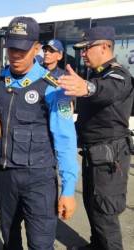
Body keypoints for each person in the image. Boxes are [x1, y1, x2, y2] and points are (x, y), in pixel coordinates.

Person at [0, 16, 79, 250]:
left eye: (22, 50)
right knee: (10, 242)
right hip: (2, 178)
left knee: (41, 245)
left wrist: (68, 190)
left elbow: (65, 141)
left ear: (36, 48)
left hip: (39, 180)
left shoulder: (53, 89)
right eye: (12, 48)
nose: (15, 55)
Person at [58, 26, 134, 250]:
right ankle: (96, 245)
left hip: (110, 155)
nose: (82, 54)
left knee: (105, 211)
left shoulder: (118, 74)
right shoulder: (99, 74)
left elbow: (107, 90)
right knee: (92, 205)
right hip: (95, 154)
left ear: (103, 47)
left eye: (86, 48)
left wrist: (87, 87)